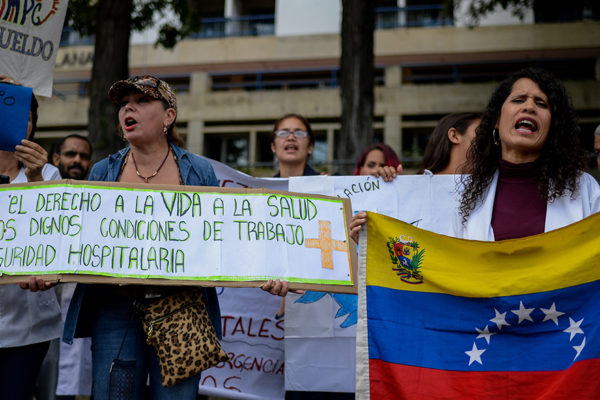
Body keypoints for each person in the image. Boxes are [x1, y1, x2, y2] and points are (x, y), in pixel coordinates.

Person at [25, 75, 221, 400]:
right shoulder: (103, 171)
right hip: (116, 309)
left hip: (182, 310)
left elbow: (223, 242)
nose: (129, 107)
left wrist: (266, 275)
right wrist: (49, 268)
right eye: (124, 103)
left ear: (168, 116)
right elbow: (78, 238)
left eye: (142, 101)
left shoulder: (200, 172)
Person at [452, 67, 599, 240]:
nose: (529, 107)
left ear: (553, 127)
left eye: (541, 103)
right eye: (518, 100)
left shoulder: (585, 189)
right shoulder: (467, 197)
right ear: (497, 120)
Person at [0, 77, 63, 400]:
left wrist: (36, 176)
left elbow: (54, 234)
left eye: (25, 115)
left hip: (28, 329)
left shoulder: (49, 175)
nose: (16, 120)